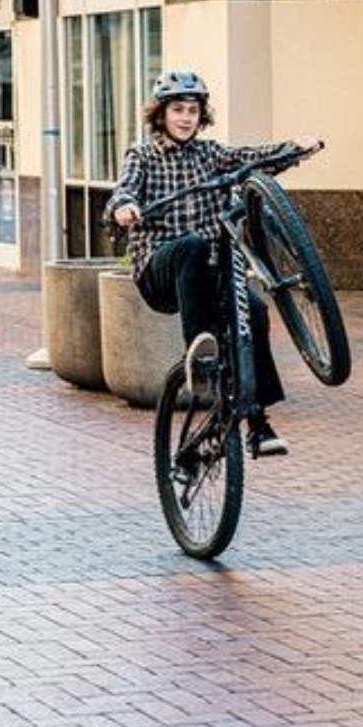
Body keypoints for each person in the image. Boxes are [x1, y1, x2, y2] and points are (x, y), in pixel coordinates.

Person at [107, 70, 322, 458]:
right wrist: (125, 206)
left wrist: (294, 148)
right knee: (190, 245)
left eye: (193, 110)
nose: (186, 118)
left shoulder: (210, 154)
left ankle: (257, 420)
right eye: (177, 110)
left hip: (205, 273)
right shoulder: (142, 155)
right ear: (161, 115)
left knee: (252, 311)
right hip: (160, 270)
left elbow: (251, 157)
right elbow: (124, 188)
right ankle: (200, 353)